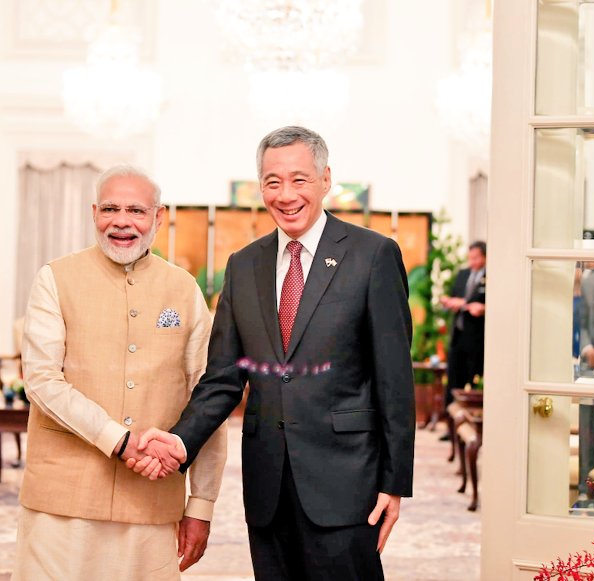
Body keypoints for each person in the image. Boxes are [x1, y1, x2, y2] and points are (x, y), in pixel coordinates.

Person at [130, 126, 415, 580]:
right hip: (268, 486)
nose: (286, 194)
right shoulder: (243, 265)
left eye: (299, 179)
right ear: (260, 186)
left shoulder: (373, 255)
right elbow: (223, 378)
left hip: (346, 482)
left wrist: (395, 481)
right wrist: (180, 441)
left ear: (325, 179)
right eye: (273, 181)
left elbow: (394, 378)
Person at [12, 165, 227, 580]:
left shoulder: (184, 290)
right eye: (110, 208)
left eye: (136, 210)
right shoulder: (55, 279)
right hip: (62, 498)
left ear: (158, 218)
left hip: (152, 499)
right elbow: (41, 380)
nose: (122, 221)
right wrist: (119, 440)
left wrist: (201, 505)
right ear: (94, 213)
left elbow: (208, 396)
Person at [440, 241, 487, 408]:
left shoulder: (490, 277)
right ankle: (451, 421)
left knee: (472, 377)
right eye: (470, 257)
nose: (472, 261)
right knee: (453, 377)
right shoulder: (463, 274)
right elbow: (454, 297)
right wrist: (448, 302)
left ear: (485, 257)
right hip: (458, 335)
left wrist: (484, 309)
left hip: (476, 337)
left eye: (476, 257)